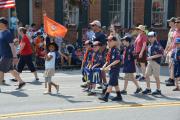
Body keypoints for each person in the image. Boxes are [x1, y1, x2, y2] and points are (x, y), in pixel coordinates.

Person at [0, 17, 25, 92]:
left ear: (3, 24)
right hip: (3, 55)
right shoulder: (1, 32)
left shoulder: (7, 33)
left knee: (0, 70)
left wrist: (15, 56)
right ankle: (21, 82)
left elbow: (12, 45)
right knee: (11, 70)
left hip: (7, 56)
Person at [99, 36, 122, 102]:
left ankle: (106, 97)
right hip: (112, 69)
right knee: (115, 83)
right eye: (108, 41)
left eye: (110, 41)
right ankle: (119, 96)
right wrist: (104, 66)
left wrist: (108, 66)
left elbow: (117, 60)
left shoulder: (116, 50)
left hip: (115, 69)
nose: (108, 42)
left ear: (115, 42)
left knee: (111, 83)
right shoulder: (110, 50)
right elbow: (108, 60)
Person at [166, 17, 180, 86]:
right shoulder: (175, 31)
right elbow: (172, 42)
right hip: (174, 50)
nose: (176, 23)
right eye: (176, 22)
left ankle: (172, 80)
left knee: (175, 66)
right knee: (172, 65)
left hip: (178, 51)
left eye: (178, 22)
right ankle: (172, 80)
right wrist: (168, 49)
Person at [164, 17, 176, 86]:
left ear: (173, 23)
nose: (169, 23)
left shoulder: (176, 31)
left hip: (173, 49)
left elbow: (173, 42)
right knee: (169, 64)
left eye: (170, 22)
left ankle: (172, 80)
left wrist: (168, 49)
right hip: (169, 49)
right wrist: (165, 49)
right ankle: (170, 77)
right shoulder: (170, 30)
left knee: (172, 65)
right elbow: (168, 42)